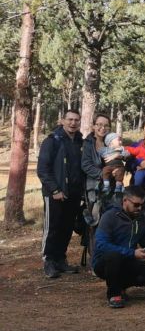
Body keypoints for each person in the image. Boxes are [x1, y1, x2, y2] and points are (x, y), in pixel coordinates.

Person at [92, 186, 145, 308]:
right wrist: (132, 253)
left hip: (128, 260)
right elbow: (101, 245)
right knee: (114, 256)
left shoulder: (141, 219)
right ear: (125, 200)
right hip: (104, 263)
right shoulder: (109, 217)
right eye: (136, 205)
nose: (140, 208)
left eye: (142, 204)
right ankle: (114, 294)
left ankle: (120, 286)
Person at [37, 109, 84, 278]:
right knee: (52, 228)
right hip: (55, 194)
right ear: (62, 121)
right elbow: (43, 169)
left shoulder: (80, 141)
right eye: (70, 119)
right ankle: (48, 261)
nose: (73, 123)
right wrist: (55, 190)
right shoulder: (52, 141)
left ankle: (60, 260)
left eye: (76, 120)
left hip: (74, 194)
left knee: (66, 228)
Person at [81, 113, 112, 224]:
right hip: (94, 187)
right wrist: (103, 174)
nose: (102, 128)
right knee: (95, 220)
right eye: (99, 124)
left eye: (106, 125)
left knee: (109, 219)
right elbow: (86, 165)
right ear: (93, 126)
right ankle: (92, 241)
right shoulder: (88, 143)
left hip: (111, 187)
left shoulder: (111, 142)